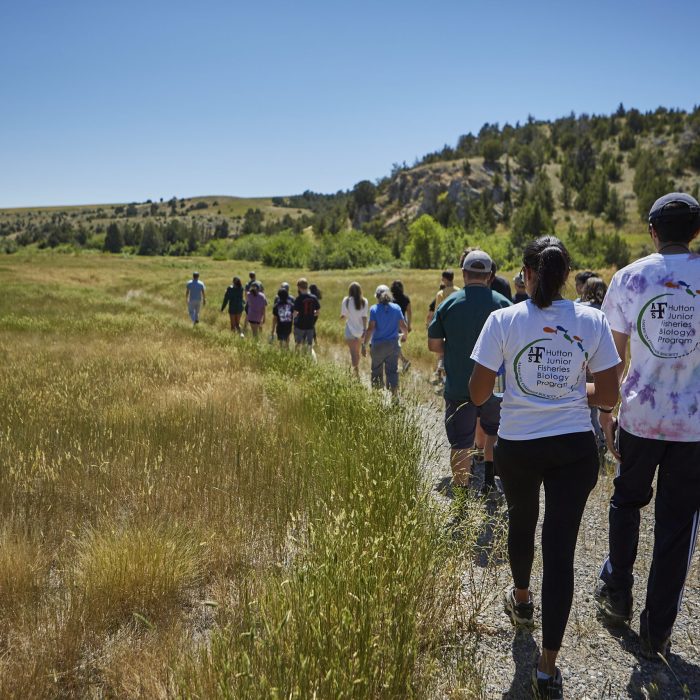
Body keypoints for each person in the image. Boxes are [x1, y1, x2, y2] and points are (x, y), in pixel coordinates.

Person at [468, 236, 620, 700]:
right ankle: (549, 665)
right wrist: (572, 393)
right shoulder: (591, 320)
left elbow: (477, 394)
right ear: (564, 276)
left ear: (526, 275)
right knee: (560, 552)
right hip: (573, 450)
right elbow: (610, 396)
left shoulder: (503, 320)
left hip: (518, 445)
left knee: (521, 521)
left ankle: (520, 600)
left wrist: (518, 393)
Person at [595, 192, 700, 661]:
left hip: (639, 415)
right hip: (694, 425)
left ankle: (617, 590)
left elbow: (612, 360)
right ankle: (657, 630)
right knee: (677, 524)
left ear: (653, 231)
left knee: (626, 498)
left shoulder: (630, 277)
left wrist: (605, 412)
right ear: (695, 232)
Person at [428, 250, 512, 495]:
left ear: (464, 274)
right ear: (489, 276)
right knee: (492, 432)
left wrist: (453, 348)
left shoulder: (449, 304)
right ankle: (488, 479)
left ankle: (462, 496)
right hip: (495, 385)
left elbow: (433, 344)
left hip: (459, 386)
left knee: (461, 441)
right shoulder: (504, 305)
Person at [363, 285, 408, 395]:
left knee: (376, 371)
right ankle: (394, 396)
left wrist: (364, 344)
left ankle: (377, 398)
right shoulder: (396, 308)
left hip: (377, 345)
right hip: (393, 345)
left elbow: (370, 329)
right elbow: (403, 326)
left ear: (377, 296)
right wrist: (405, 336)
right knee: (392, 371)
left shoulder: (374, 309)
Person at [431, 271, 457, 385]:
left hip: (445, 326)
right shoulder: (459, 291)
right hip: (457, 325)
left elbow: (437, 312)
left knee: (442, 352)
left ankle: (442, 372)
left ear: (445, 279)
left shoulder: (441, 294)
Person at [340, 282, 368, 376]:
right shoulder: (364, 301)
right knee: (357, 352)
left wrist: (343, 316)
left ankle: (356, 372)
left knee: (353, 353)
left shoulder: (346, 300)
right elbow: (364, 317)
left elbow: (343, 315)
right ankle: (357, 370)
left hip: (350, 330)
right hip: (360, 331)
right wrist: (365, 330)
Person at [293, 278, 320, 357]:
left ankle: (297, 358)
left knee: (298, 343)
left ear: (299, 287)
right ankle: (308, 359)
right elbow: (317, 312)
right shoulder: (314, 298)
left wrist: (293, 320)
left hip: (300, 326)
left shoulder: (298, 299)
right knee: (309, 344)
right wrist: (311, 314)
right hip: (310, 326)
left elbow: (295, 313)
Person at [390, 280, 412, 373]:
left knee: (393, 345)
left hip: (393, 324)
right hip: (403, 323)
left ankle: (403, 361)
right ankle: (402, 362)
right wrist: (409, 325)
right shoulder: (406, 298)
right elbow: (409, 312)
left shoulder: (390, 299)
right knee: (395, 345)